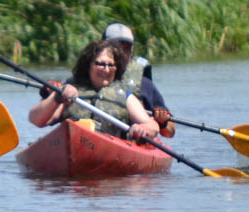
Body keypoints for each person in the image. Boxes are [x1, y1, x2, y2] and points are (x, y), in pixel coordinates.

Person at [27, 38, 161, 141]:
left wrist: (143, 129)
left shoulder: (125, 96)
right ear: (88, 65)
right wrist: (57, 98)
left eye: (111, 65)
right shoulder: (69, 91)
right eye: (100, 64)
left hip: (111, 150)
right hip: (74, 143)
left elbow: (152, 125)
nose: (106, 70)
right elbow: (35, 120)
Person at [103, 22, 173, 136]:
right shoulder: (88, 75)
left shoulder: (144, 84)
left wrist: (163, 123)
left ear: (132, 50)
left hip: (128, 139)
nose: (122, 54)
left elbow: (170, 132)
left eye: (126, 49)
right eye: (116, 48)